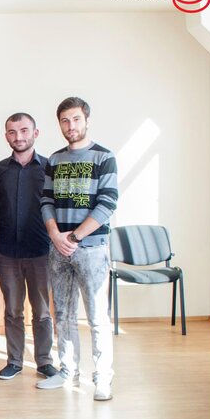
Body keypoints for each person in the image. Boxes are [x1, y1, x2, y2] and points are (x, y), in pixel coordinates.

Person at [36, 96, 118, 401]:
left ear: (86, 120)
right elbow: (46, 201)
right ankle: (67, 371)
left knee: (97, 317)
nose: (70, 126)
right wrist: (55, 234)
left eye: (76, 119)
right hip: (58, 248)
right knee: (63, 315)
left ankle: (102, 378)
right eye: (64, 121)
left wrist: (74, 237)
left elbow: (107, 203)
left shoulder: (104, 157)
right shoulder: (54, 160)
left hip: (91, 249)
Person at [0, 113, 57, 381]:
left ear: (35, 133)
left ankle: (44, 361)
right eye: (12, 132)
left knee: (42, 312)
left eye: (24, 131)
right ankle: (14, 361)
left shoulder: (50, 169)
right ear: (6, 136)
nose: (18, 137)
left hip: (41, 251)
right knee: (12, 311)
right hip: (7, 253)